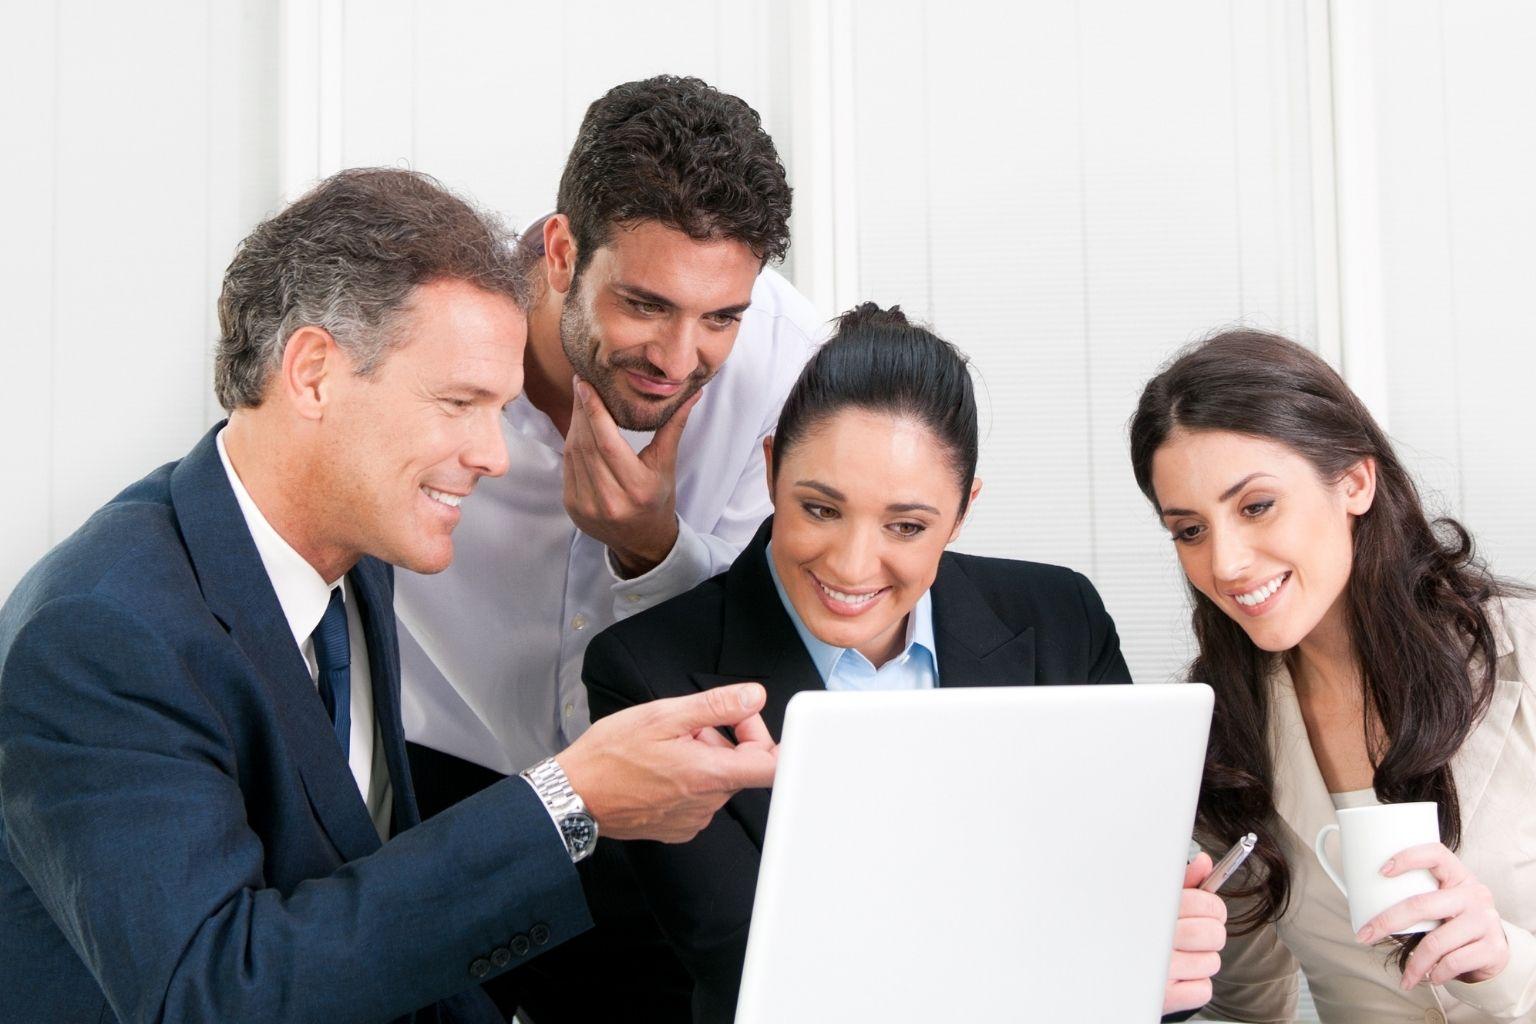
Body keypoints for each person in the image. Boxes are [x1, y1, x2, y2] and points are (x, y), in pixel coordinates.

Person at [0, 168, 780, 1024]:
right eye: (458, 403)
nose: (494, 453)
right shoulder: (99, 636)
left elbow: (374, 920)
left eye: (500, 409)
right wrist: (568, 801)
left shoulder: (361, 559)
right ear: (313, 374)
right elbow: (213, 995)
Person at [584, 303, 1229, 1022]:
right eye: (821, 510)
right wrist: (1090, 963)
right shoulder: (649, 673)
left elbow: (1135, 913)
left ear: (962, 512)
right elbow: (755, 971)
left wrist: (1157, 952)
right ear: (771, 470)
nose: (854, 565)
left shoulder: (1058, 621)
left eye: (907, 525)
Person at [392, 75, 823, 1019]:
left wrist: (653, 551)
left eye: (721, 318)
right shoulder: (426, 343)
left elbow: (788, 634)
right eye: (644, 304)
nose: (679, 357)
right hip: (449, 796)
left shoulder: (793, 370)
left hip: (679, 829)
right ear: (559, 252)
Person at [1129, 328, 1536, 1023]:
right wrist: (1172, 943)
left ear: (1354, 481)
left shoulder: (1523, 651)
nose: (1224, 563)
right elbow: (1249, 1009)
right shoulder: (1223, 730)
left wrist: (1502, 956)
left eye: (1256, 506)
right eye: (1189, 530)